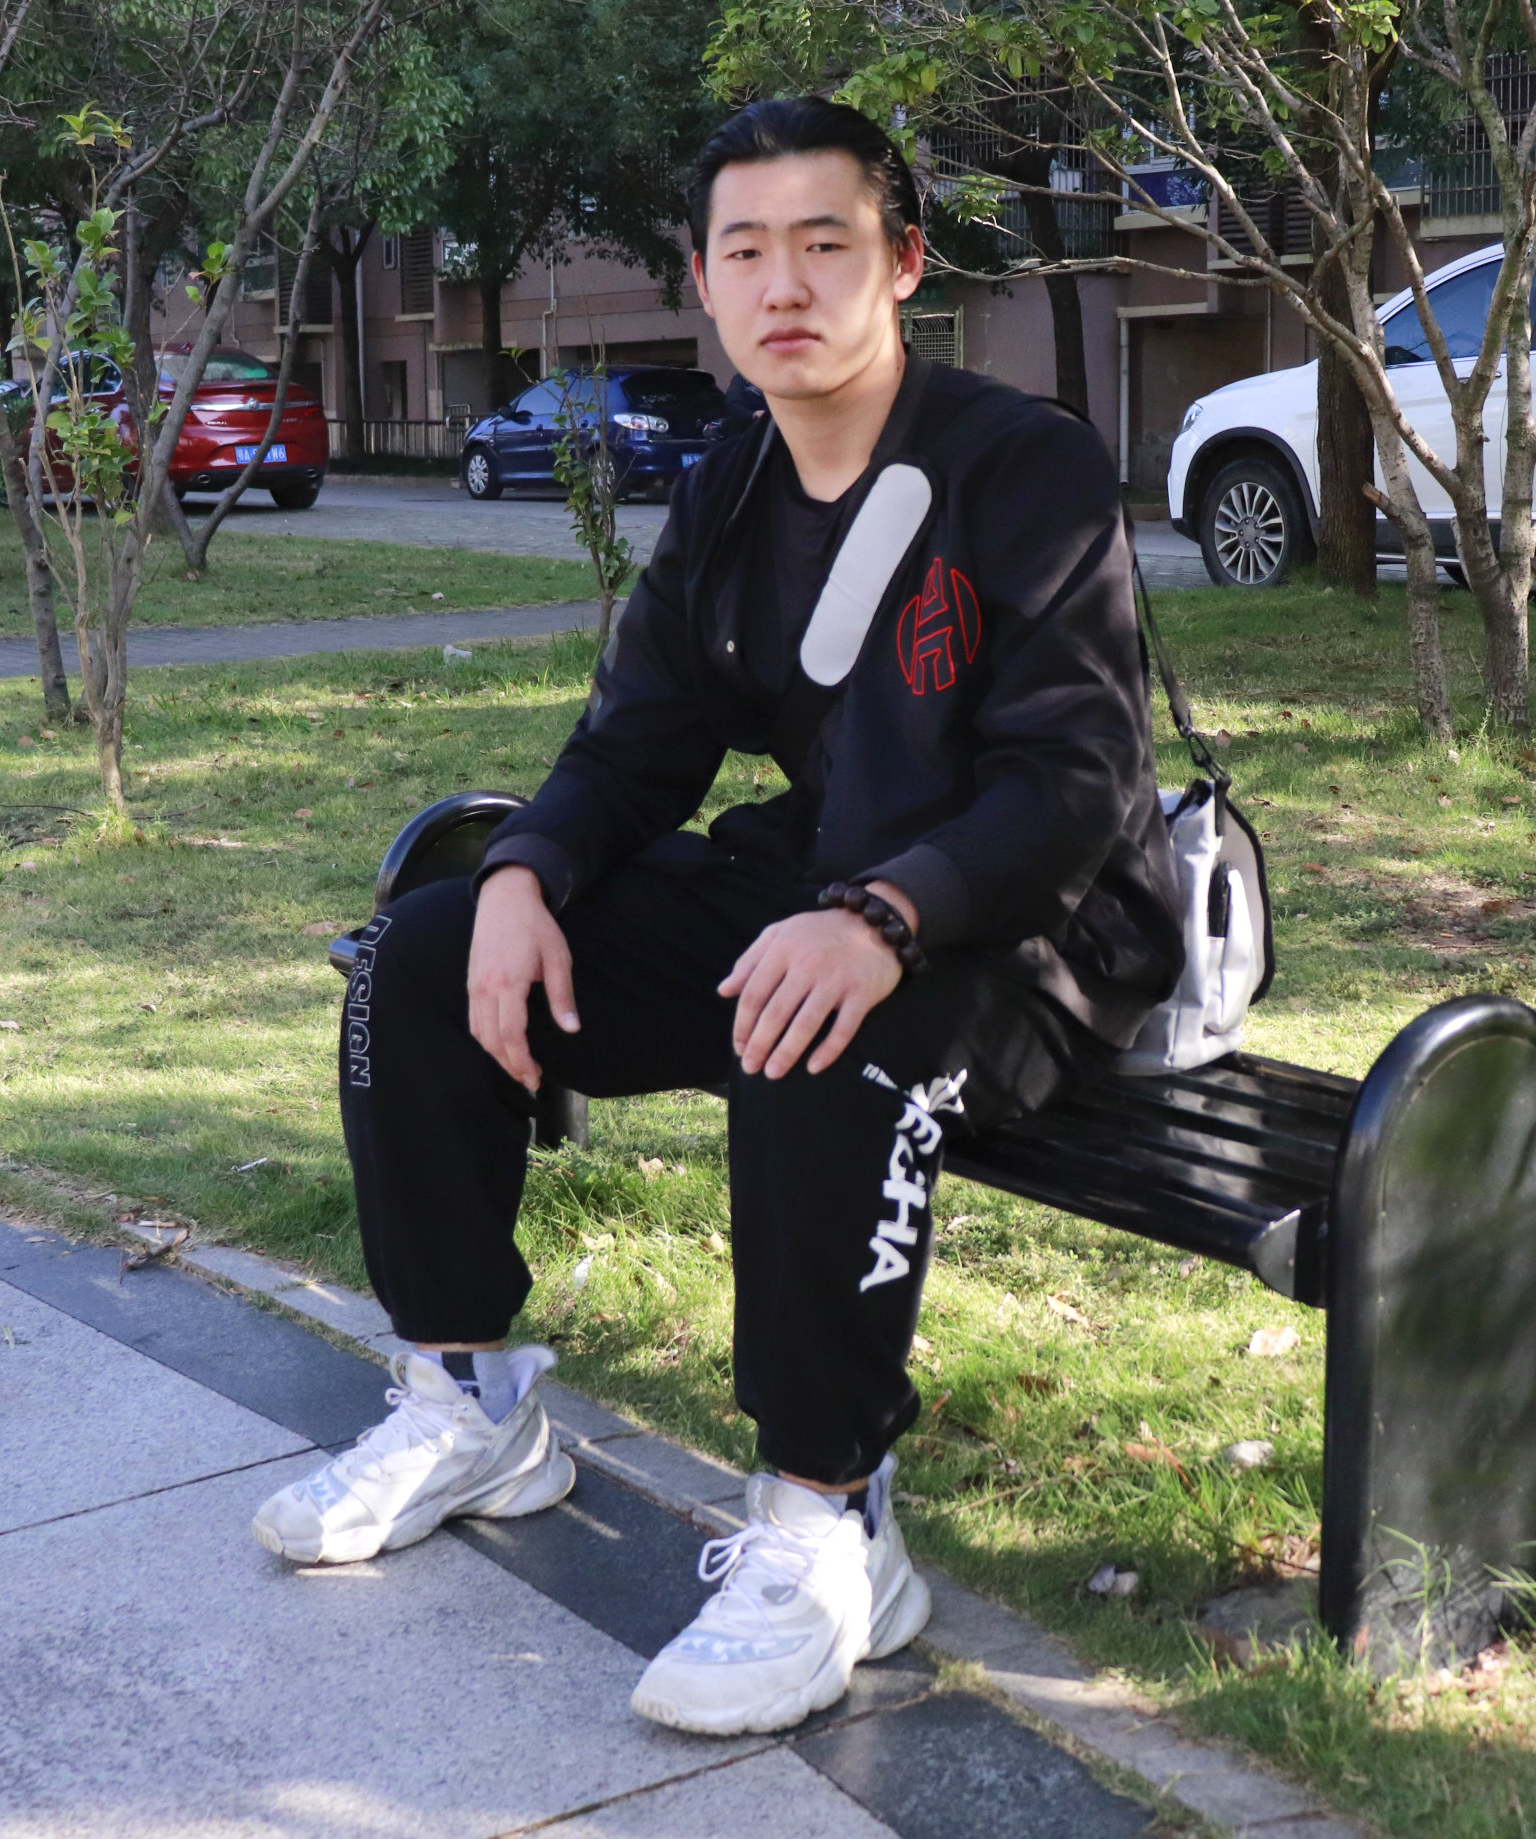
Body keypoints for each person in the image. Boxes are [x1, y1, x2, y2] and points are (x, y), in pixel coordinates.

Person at [252, 95, 1183, 1737]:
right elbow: (637, 741)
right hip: (828, 879)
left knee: (813, 1021)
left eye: (826, 242)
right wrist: (524, 873)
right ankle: (469, 1401)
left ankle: (832, 1522)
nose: (785, 284)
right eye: (745, 250)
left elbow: (1077, 778)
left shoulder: (1019, 466)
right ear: (701, 279)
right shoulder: (738, 474)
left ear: (904, 262)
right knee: (421, 952)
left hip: (1028, 930)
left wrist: (883, 918)